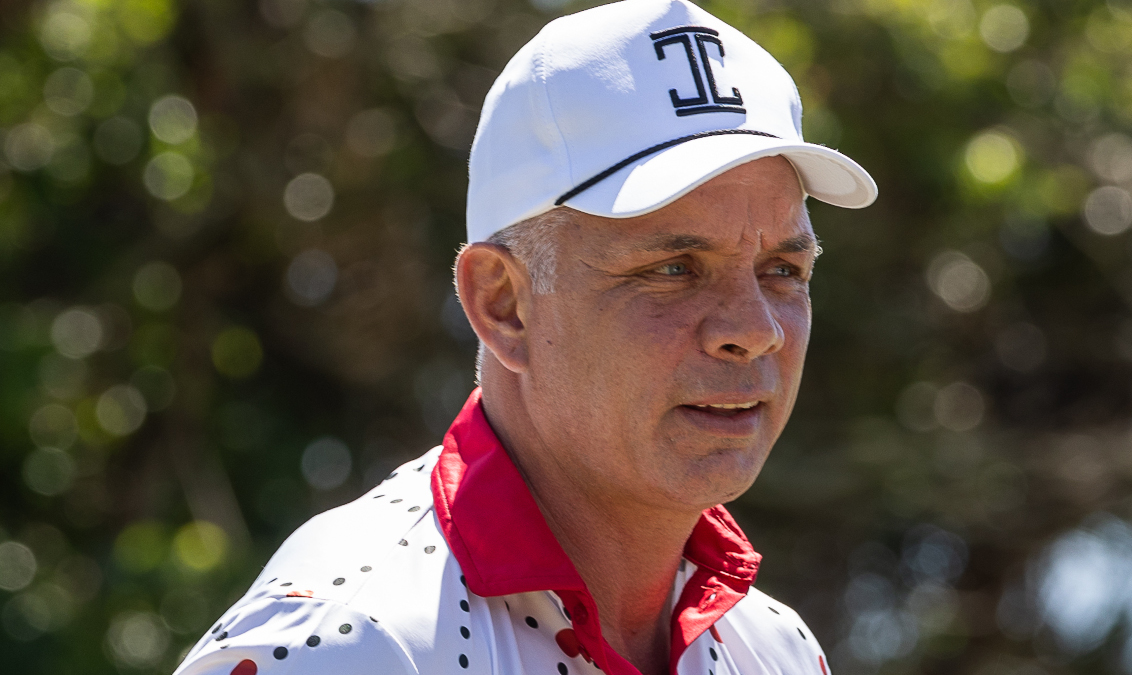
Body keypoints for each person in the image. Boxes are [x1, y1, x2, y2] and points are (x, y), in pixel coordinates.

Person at [174, 0, 876, 674]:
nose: (753, 330)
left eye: (783, 270)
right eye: (673, 269)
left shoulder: (774, 649)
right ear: (503, 304)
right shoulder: (347, 645)